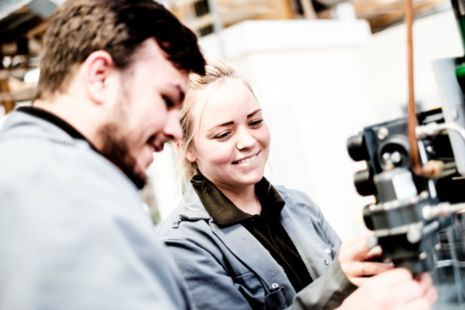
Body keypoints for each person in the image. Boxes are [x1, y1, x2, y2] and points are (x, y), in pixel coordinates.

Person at [158, 59, 438, 310]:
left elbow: (359, 288)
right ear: (186, 147)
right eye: (223, 134)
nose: (247, 142)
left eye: (255, 122)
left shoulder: (299, 205)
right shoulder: (182, 246)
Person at [0, 0, 205, 309]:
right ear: (99, 77)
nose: (175, 130)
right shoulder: (70, 192)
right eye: (166, 99)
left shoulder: (20, 166)